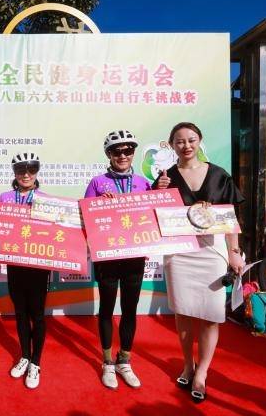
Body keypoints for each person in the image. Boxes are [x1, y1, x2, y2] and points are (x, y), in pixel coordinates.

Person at [153, 122, 245, 403]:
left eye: (191, 140)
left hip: (212, 252)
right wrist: (158, 191)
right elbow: (153, 215)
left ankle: (202, 372)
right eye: (180, 141)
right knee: (182, 312)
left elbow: (230, 216)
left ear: (200, 141)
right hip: (179, 252)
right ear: (172, 145)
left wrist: (234, 251)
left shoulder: (219, 175)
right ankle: (188, 365)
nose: (186, 145)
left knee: (210, 315)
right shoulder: (166, 178)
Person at [84, 130, 151, 390]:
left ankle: (125, 360)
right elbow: (85, 216)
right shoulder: (97, 182)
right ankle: (107, 362)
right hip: (108, 257)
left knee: (130, 308)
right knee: (107, 308)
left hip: (134, 256)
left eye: (128, 150)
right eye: (116, 151)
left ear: (133, 152)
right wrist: (100, 204)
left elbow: (155, 214)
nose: (123, 156)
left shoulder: (144, 183)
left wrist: (162, 190)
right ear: (108, 155)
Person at [0, 151, 50, 389]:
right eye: (20, 170)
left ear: (37, 171)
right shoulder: (5, 198)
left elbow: (57, 231)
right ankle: (25, 356)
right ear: (14, 173)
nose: (26, 174)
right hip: (15, 265)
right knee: (20, 313)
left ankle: (36, 362)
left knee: (37, 315)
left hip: (38, 267)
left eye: (31, 169)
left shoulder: (46, 199)